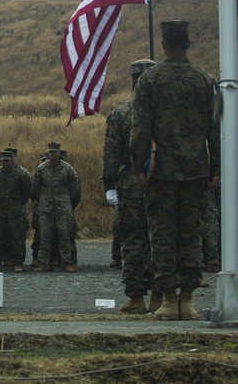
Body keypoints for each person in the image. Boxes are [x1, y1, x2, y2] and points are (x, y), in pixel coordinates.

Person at [130, 20, 221, 321]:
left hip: (161, 172)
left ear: (165, 44)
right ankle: (188, 300)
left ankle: (169, 300)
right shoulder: (205, 81)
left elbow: (139, 132)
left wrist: (139, 169)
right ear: (189, 43)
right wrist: (215, 169)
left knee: (163, 234)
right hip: (196, 170)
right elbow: (214, 130)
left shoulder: (149, 80)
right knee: (191, 234)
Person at [102, 59, 156, 313]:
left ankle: (136, 298)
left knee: (133, 242)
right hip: (161, 184)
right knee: (161, 240)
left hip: (131, 185)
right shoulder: (167, 112)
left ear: (132, 81)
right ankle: (160, 296)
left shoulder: (121, 113)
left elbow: (111, 153)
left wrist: (110, 184)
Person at [32, 143, 81, 273]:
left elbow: (75, 187)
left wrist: (66, 200)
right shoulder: (42, 168)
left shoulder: (67, 169)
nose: (52, 154)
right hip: (46, 207)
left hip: (63, 206)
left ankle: (67, 262)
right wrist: (43, 199)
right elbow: (35, 188)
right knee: (45, 236)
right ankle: (44, 263)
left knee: (65, 235)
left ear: (59, 153)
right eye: (50, 152)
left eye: (54, 152)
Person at [0, 150, 33, 272]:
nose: (5, 163)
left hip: (15, 212)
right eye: (3, 161)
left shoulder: (19, 176)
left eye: (8, 161)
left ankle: (18, 262)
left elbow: (26, 192)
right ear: (0, 162)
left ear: (12, 161)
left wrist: (18, 203)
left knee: (16, 237)